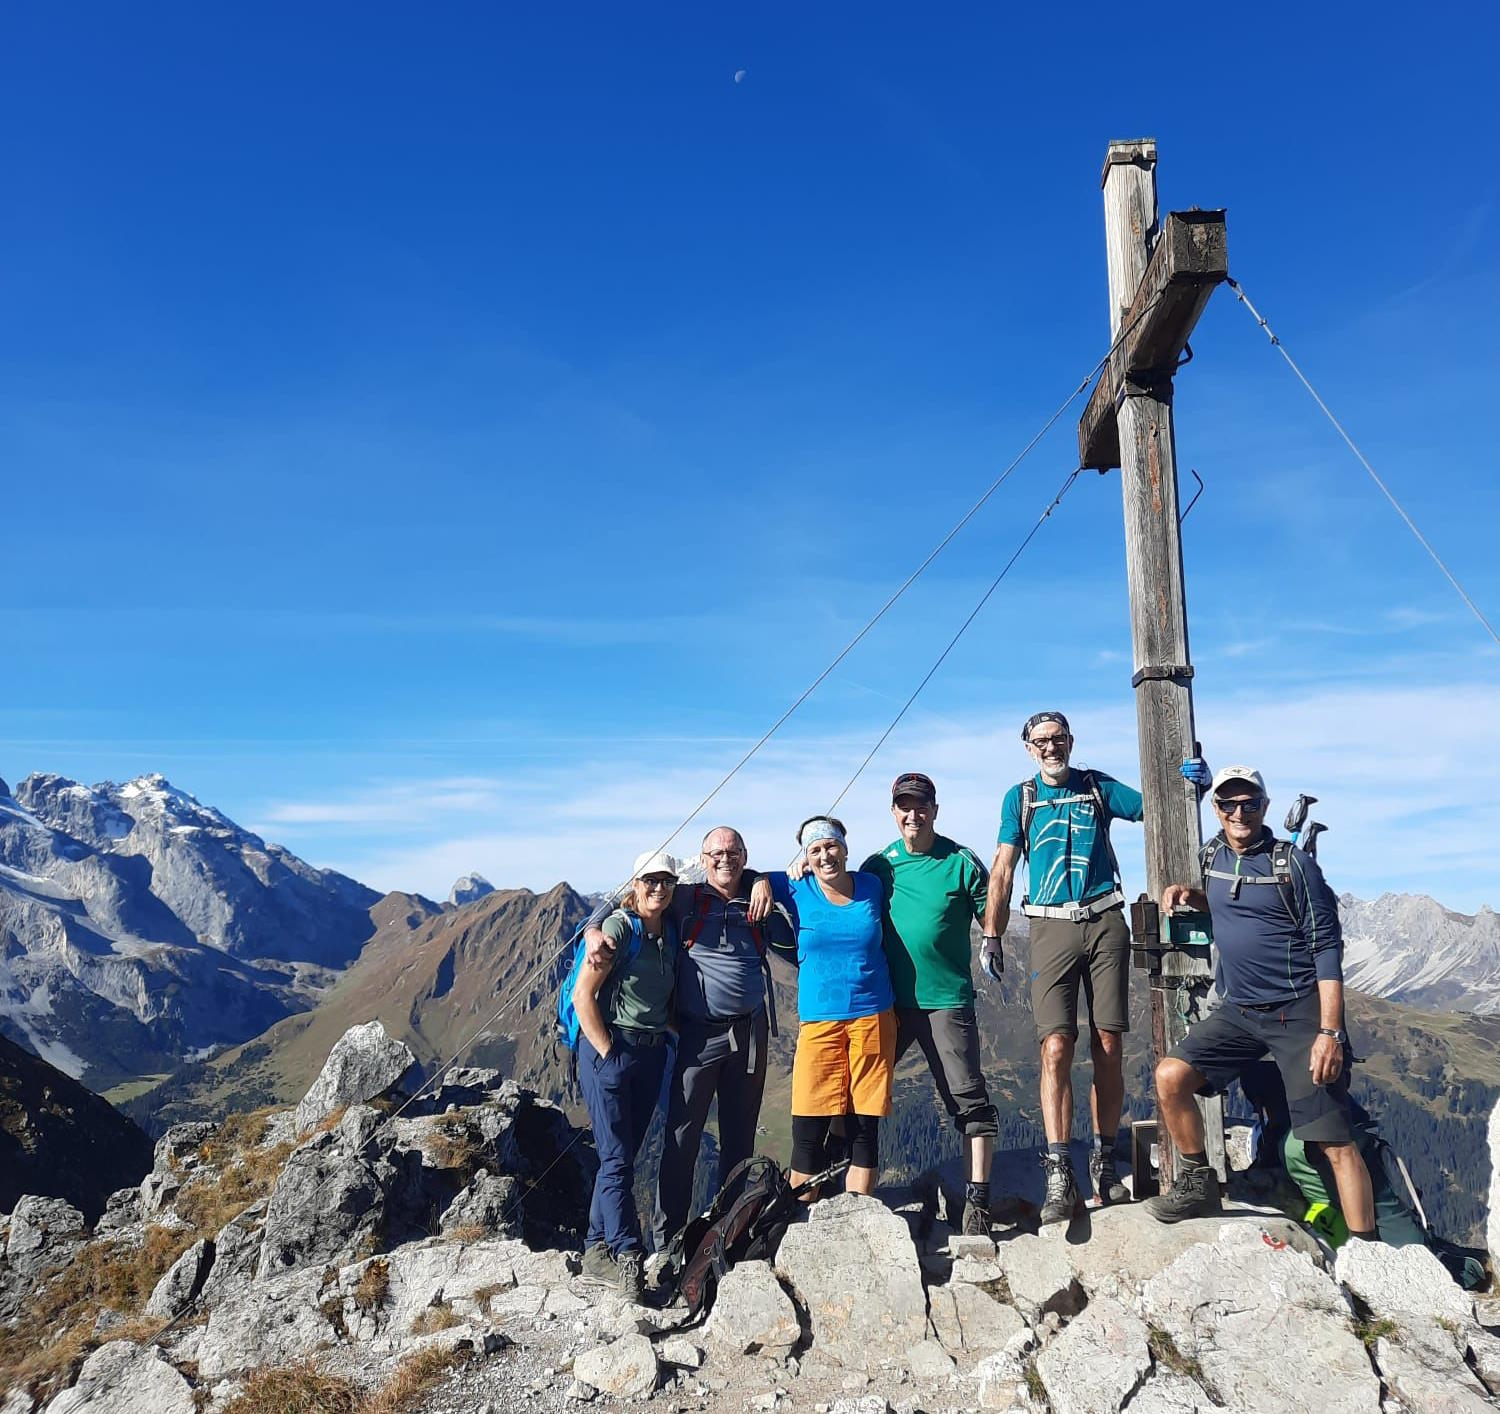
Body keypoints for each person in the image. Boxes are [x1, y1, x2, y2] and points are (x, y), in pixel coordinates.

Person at [1145, 765, 1377, 1235]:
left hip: (1298, 1011)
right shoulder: (1211, 855)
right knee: (1171, 1077)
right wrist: (1189, 894)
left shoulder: (1293, 864)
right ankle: (1197, 1181)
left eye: (1249, 803)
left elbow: (1327, 949)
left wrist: (1330, 1032)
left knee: (1334, 1141)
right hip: (1239, 1010)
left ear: (1265, 807)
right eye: (1228, 804)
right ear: (1216, 809)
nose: (1238, 812)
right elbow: (1230, 904)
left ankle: (1368, 1252)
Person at [586, 825, 792, 1257]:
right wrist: (591, 930)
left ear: (745, 854)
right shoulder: (685, 896)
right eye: (715, 853)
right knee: (682, 1140)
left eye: (733, 852)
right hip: (698, 1036)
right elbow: (628, 900)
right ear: (702, 858)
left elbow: (795, 876)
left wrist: (761, 880)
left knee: (739, 1143)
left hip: (750, 1033)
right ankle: (668, 1246)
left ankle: (729, 1239)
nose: (724, 859)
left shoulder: (761, 893)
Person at [983, 711, 1145, 1223]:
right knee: (1055, 1046)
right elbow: (1004, 865)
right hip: (1050, 925)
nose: (1050, 747)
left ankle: (1103, 1163)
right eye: (1040, 741)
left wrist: (1190, 783)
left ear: (1071, 741)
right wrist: (992, 931)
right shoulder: (1021, 797)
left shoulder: (1097, 786)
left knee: (1109, 1043)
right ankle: (1059, 1170)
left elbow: (1155, 808)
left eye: (1058, 738)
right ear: (1028, 749)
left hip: (1104, 918)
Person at [862, 772, 998, 1235]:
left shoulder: (960, 861)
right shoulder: (878, 866)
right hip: (887, 1004)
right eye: (904, 805)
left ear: (935, 810)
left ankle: (977, 1203)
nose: (912, 814)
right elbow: (839, 902)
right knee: (857, 1097)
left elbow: (993, 917)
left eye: (921, 806)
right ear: (893, 811)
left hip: (946, 1002)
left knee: (969, 1102)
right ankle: (851, 1195)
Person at [763, 816, 896, 1198]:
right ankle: (801, 1224)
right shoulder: (796, 885)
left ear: (845, 848)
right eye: (815, 850)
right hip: (820, 1020)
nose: (825, 855)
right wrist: (762, 882)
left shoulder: (871, 884)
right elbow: (752, 877)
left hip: (873, 1015)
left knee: (862, 1126)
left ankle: (858, 1216)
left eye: (831, 846)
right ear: (805, 856)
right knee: (808, 1126)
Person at [572, 849, 683, 1300]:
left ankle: (596, 1248)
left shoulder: (669, 933)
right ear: (634, 886)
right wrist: (609, 1053)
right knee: (616, 1158)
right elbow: (583, 996)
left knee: (621, 1157)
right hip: (612, 1050)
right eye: (649, 881)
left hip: (651, 1054)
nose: (658, 888)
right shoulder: (620, 928)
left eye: (666, 882)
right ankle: (626, 1255)